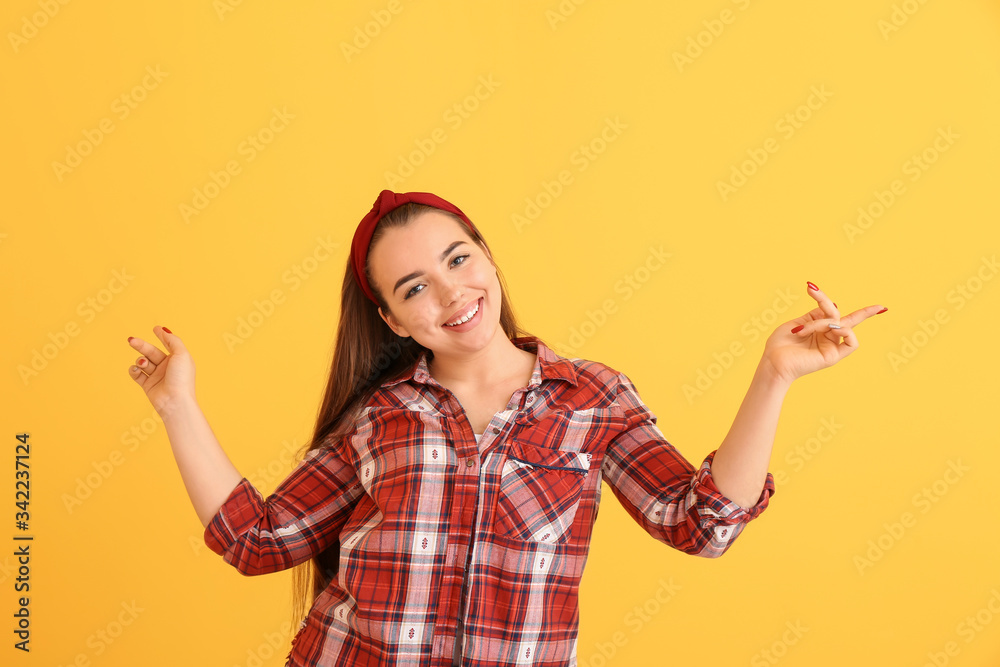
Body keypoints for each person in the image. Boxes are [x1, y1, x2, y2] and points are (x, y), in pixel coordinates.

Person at [125, 189, 888, 666]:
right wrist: (176, 404)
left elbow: (702, 524)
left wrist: (775, 375)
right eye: (415, 286)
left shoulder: (590, 397)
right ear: (392, 318)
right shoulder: (380, 416)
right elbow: (259, 541)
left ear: (488, 255)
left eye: (460, 258)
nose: (453, 292)